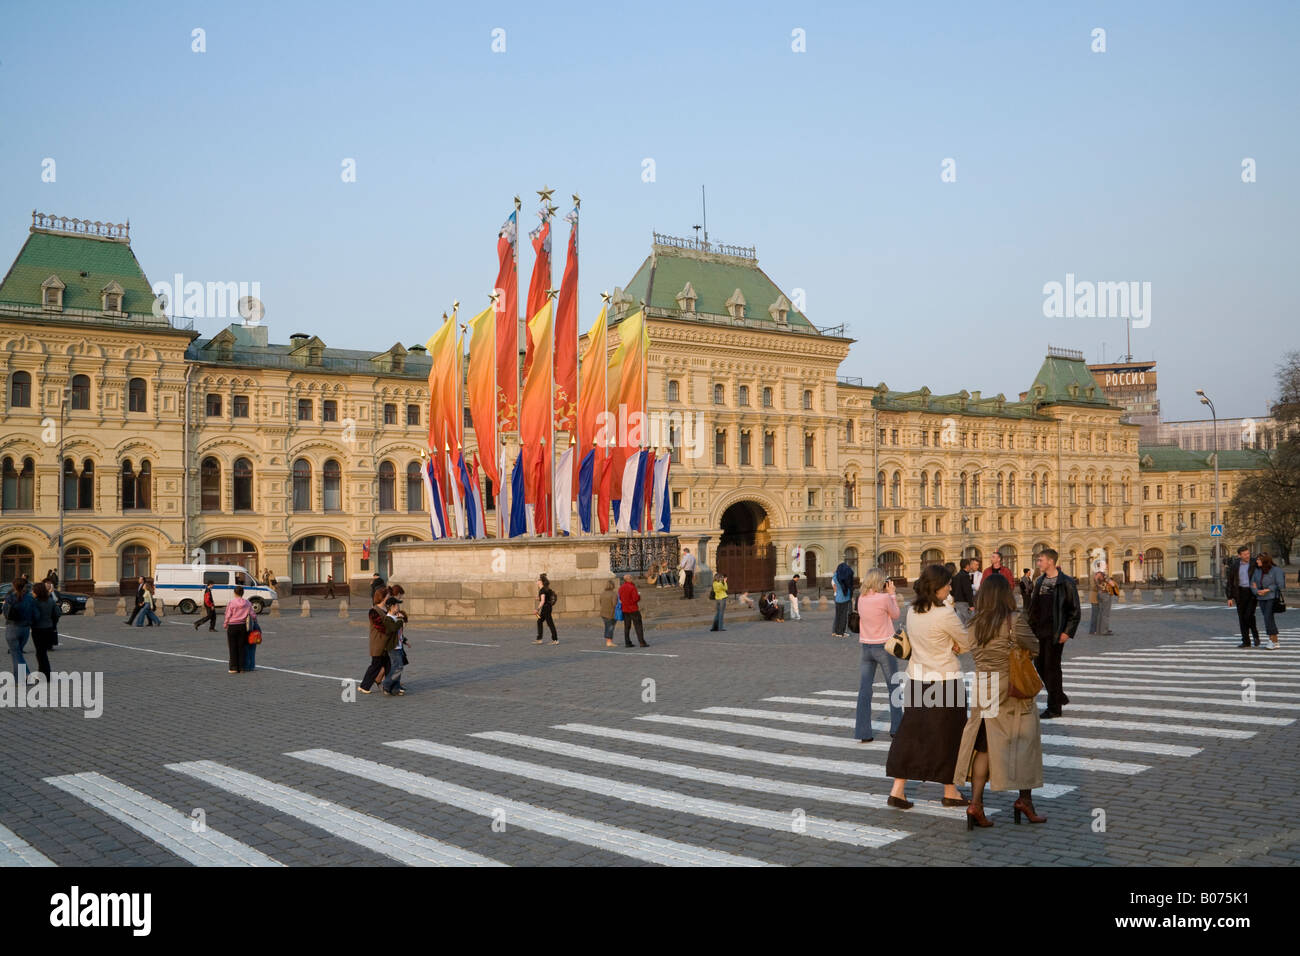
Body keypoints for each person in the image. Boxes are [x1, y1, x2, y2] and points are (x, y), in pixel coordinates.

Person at [954, 572, 1046, 829]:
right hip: (1012, 686)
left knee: (983, 745)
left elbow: (970, 650)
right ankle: (1024, 801)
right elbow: (1035, 647)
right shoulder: (1013, 620)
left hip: (984, 685)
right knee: (1024, 739)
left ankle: (976, 804)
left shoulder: (973, 623)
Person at [885, 564, 973, 809]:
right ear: (938, 587)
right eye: (947, 584)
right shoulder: (944, 613)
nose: (951, 587)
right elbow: (966, 642)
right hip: (945, 681)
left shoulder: (913, 611)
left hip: (916, 679)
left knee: (911, 734)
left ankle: (898, 789)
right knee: (950, 736)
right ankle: (950, 790)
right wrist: (955, 645)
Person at [1026, 548, 1080, 718]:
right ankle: (1059, 695)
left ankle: (1054, 708)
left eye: (1040, 560)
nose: (1038, 563)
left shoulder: (1066, 582)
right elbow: (1034, 608)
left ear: (1050, 561)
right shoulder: (1040, 580)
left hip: (1056, 632)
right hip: (1039, 631)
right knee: (1039, 666)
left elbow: (1075, 611)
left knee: (1052, 668)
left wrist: (1067, 632)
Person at [854, 568, 903, 743]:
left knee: (865, 689)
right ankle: (897, 727)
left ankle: (863, 731)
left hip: (866, 646)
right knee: (894, 687)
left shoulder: (861, 598)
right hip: (884, 646)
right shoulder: (883, 598)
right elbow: (896, 614)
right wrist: (891, 594)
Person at [1225, 545, 1260, 648]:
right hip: (1239, 593)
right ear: (1239, 555)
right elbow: (1230, 582)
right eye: (1245, 554)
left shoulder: (1255, 563)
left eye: (1248, 553)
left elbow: (1263, 573)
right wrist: (1229, 597)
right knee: (1242, 618)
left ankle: (1255, 635)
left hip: (1252, 593)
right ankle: (1246, 641)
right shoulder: (1235, 565)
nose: (1247, 556)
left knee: (1248, 615)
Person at [359, 587, 392, 692]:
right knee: (375, 665)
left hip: (387, 643)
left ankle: (389, 686)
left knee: (388, 664)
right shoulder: (374, 611)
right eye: (388, 596)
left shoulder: (387, 609)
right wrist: (393, 626)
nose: (389, 597)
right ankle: (364, 686)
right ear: (383, 597)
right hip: (378, 642)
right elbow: (381, 626)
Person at [3, 577, 37, 681]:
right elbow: (36, 614)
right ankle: (18, 678)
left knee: (16, 654)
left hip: (12, 628)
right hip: (25, 629)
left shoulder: (10, 598)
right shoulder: (30, 598)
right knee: (17, 653)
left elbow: (5, 613)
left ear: (13, 586)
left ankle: (26, 675)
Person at [1251, 551, 1285, 649]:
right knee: (1268, 618)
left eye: (1259, 559)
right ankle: (1276, 641)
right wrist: (1257, 591)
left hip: (1271, 597)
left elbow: (1280, 584)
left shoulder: (1276, 570)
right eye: (1257, 559)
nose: (1257, 561)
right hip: (1261, 597)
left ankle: (1271, 640)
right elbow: (1252, 582)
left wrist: (1268, 589)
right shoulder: (1257, 570)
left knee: (1267, 617)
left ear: (1265, 560)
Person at [30, 581, 60, 683]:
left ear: (37, 591)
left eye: (33, 590)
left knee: (40, 653)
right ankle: (43, 674)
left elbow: (32, 615)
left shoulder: (35, 601)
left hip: (38, 629)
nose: (32, 592)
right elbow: (57, 613)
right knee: (42, 653)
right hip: (48, 628)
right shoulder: (50, 600)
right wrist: (52, 622)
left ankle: (45, 675)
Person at [381, 595, 408, 695]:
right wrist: (400, 620)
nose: (398, 607)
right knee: (398, 667)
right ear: (391, 607)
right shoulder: (388, 619)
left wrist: (404, 640)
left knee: (397, 667)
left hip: (399, 646)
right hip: (393, 647)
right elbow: (393, 628)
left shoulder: (396, 617)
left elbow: (398, 633)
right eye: (397, 605)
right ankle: (386, 684)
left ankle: (395, 688)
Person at [222, 586, 253, 674]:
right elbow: (252, 614)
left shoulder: (231, 603)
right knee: (242, 647)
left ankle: (234, 667)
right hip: (243, 626)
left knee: (232, 647)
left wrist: (225, 623)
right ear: (242, 593)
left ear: (235, 593)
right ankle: (242, 667)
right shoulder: (247, 603)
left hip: (232, 626)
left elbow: (228, 614)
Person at [619, 574, 648, 647]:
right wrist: (639, 596)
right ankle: (641, 642)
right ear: (629, 579)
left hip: (625, 609)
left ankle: (627, 642)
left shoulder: (621, 588)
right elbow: (635, 599)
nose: (632, 579)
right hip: (633, 609)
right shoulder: (632, 587)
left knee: (627, 626)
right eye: (631, 578)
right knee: (638, 625)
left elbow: (620, 597)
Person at [831, 557, 855, 638]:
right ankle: (841, 632)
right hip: (845, 598)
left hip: (837, 598)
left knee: (838, 616)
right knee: (843, 617)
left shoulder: (836, 576)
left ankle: (836, 631)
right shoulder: (845, 578)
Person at [534, 573, 558, 645]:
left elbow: (543, 601)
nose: (537, 581)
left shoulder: (542, 590)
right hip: (547, 608)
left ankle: (555, 640)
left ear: (541, 582)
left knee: (550, 623)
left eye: (538, 580)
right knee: (539, 621)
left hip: (546, 608)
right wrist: (539, 598)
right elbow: (544, 599)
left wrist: (537, 609)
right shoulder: (545, 589)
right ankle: (539, 639)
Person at [599, 578, 617, 647]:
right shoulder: (613, 594)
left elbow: (600, 602)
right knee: (610, 627)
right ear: (613, 586)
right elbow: (614, 604)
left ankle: (607, 640)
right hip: (611, 613)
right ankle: (609, 641)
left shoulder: (602, 593)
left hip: (603, 612)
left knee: (607, 626)